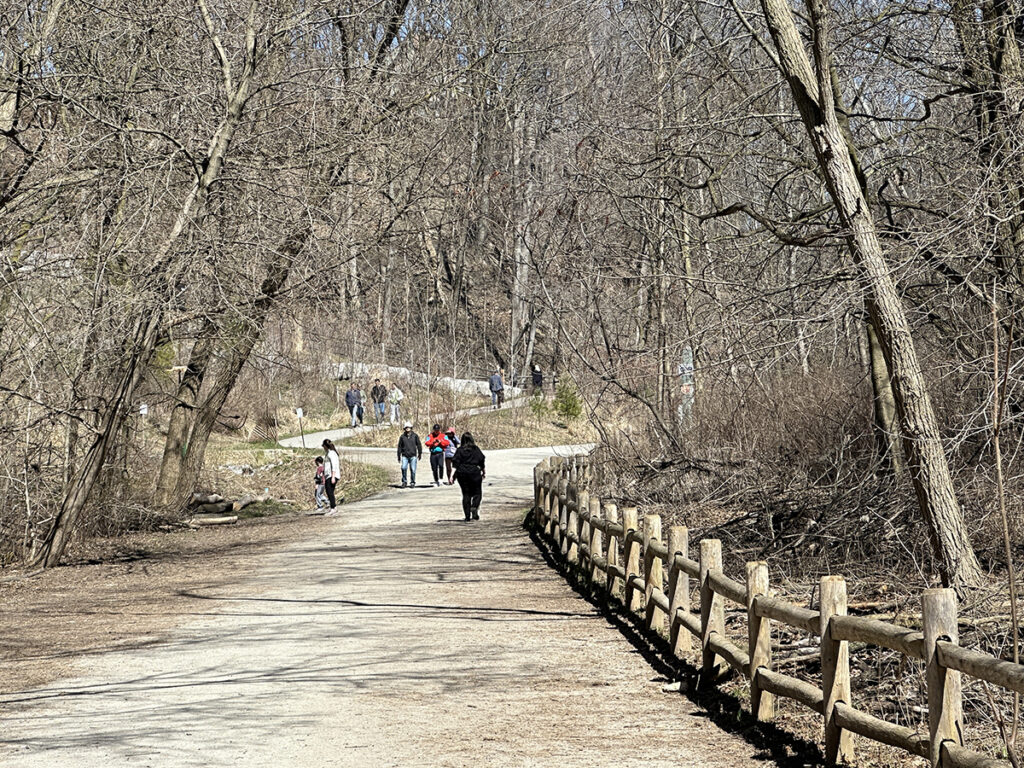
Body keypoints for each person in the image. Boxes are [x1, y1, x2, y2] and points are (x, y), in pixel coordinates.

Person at [452, 432, 486, 521]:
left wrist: (452, 476)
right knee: (477, 492)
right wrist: (483, 470)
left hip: (462, 473)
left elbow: (455, 463)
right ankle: (474, 506)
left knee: (466, 494)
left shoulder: (459, 450)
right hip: (474, 472)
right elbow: (481, 459)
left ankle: (467, 516)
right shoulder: (476, 449)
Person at [397, 421, 422, 487]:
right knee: (403, 468)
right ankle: (404, 481)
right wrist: (398, 456)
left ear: (411, 428)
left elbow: (419, 445)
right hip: (405, 455)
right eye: (406, 427)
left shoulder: (415, 436)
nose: (407, 428)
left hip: (413, 455)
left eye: (409, 427)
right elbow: (399, 446)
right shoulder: (402, 437)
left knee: (413, 469)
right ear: (404, 428)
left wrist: (420, 453)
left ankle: (412, 482)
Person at [322, 439, 342, 514]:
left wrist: (333, 476)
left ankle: (333, 507)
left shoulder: (332, 454)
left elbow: (334, 465)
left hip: (332, 475)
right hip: (328, 475)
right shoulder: (328, 453)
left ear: (326, 446)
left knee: (329, 491)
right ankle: (333, 506)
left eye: (323, 446)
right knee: (329, 491)